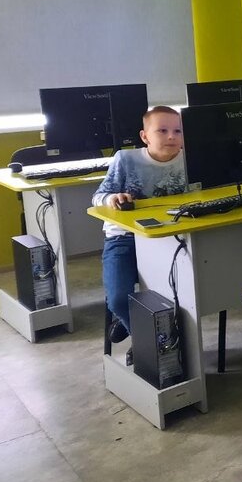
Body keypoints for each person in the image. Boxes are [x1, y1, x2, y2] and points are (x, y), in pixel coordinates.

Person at [92, 106, 187, 363]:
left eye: (178, 131)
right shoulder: (126, 159)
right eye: (162, 131)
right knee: (118, 299)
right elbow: (98, 196)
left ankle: (139, 332)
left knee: (184, 292)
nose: (171, 136)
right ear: (145, 136)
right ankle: (146, 339)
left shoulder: (192, 160)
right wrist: (113, 198)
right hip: (124, 237)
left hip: (169, 237)